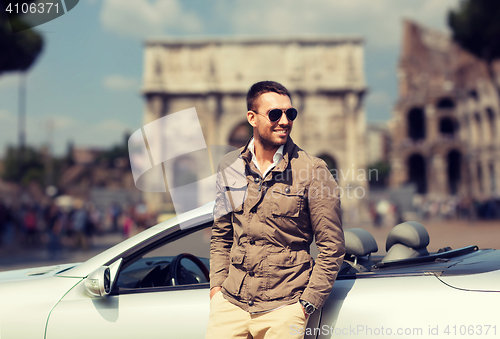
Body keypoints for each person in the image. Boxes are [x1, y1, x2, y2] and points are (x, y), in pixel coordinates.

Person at [206, 81, 345, 339]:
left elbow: (332, 246)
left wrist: (305, 305)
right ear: (252, 118)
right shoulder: (230, 166)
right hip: (230, 304)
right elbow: (221, 235)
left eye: (290, 113)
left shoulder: (313, 171)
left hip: (285, 307)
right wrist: (216, 289)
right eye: (274, 114)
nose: (284, 121)